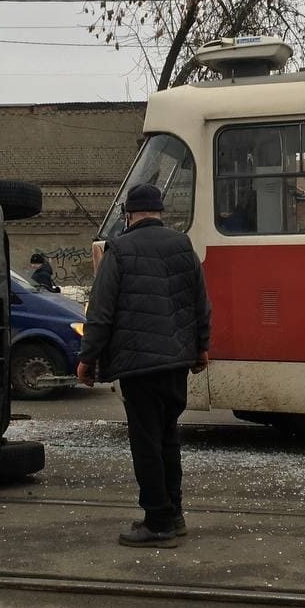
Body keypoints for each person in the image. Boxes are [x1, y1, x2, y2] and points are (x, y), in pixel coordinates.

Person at [76, 182, 211, 549]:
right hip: (176, 363)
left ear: (129, 215)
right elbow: (201, 302)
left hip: (138, 365)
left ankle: (158, 521)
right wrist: (201, 348)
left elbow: (101, 313)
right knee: (168, 437)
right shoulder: (183, 246)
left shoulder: (118, 250)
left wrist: (87, 359)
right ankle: (175, 513)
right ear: (159, 212)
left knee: (147, 443)